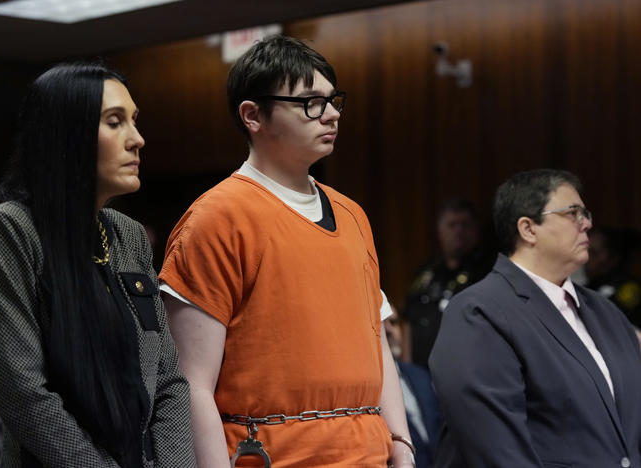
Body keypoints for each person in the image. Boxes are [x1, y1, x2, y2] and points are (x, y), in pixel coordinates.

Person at [159, 35, 414, 467]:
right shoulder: (217, 218)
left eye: (333, 100)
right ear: (253, 115)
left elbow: (377, 342)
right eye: (311, 102)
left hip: (369, 454)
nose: (331, 114)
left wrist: (402, 444)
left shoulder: (353, 215)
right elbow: (190, 382)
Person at [0, 62, 195, 467]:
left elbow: (168, 381)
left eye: (134, 121)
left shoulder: (127, 235)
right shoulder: (10, 230)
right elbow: (23, 393)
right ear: (67, 134)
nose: (137, 140)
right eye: (115, 122)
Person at [429, 169, 641, 467]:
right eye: (573, 213)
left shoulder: (606, 312)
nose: (588, 223)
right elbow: (496, 450)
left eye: (586, 213)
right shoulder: (478, 312)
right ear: (528, 229)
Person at [399, 198, 493, 367]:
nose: (459, 231)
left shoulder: (487, 272)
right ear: (439, 230)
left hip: (466, 369)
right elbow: (408, 320)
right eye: (452, 225)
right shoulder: (426, 273)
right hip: (421, 372)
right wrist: (408, 368)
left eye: (465, 225)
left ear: (475, 229)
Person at [385, 308, 442, 468]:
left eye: (394, 322)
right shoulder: (368, 389)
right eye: (381, 324)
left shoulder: (421, 375)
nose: (389, 330)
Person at [585, 226, 641, 328]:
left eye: (594, 253)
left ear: (614, 257)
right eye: (585, 251)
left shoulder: (629, 288)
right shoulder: (588, 286)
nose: (586, 258)